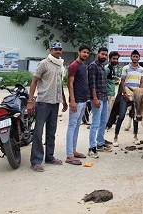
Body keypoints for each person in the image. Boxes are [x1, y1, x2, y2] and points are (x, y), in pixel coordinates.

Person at [27, 42, 68, 172]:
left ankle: (49, 157)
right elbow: (34, 82)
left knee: (51, 132)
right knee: (38, 133)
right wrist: (30, 101)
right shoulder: (44, 63)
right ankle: (36, 161)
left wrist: (64, 100)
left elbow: (59, 85)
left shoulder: (60, 65)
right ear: (50, 50)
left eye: (60, 49)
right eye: (55, 49)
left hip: (55, 103)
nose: (58, 51)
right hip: (43, 102)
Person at [111, 50, 143, 146]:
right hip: (125, 96)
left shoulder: (141, 69)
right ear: (131, 57)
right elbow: (122, 81)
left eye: (136, 57)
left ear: (138, 58)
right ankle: (115, 138)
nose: (135, 58)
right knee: (121, 116)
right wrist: (125, 93)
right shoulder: (126, 68)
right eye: (133, 56)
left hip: (136, 97)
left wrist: (140, 92)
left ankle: (135, 137)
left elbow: (142, 81)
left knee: (135, 117)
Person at [65, 44, 91, 165]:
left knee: (76, 126)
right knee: (72, 126)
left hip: (83, 100)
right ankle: (69, 155)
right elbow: (70, 84)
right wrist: (72, 101)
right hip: (76, 101)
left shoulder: (82, 66)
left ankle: (73, 150)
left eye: (87, 53)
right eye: (84, 52)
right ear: (79, 52)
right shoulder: (74, 65)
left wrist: (85, 100)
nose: (86, 54)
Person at [88, 47, 112, 158]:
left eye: (105, 55)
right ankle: (91, 148)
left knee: (104, 121)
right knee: (95, 123)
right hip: (97, 98)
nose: (104, 56)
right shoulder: (93, 66)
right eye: (102, 54)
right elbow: (92, 84)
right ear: (98, 54)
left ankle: (100, 143)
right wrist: (95, 98)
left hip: (104, 98)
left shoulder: (102, 66)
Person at [105, 51, 120, 120]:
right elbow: (103, 81)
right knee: (106, 112)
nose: (115, 60)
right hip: (107, 94)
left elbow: (109, 80)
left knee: (109, 111)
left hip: (111, 94)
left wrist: (115, 82)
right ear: (110, 59)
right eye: (114, 59)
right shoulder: (107, 68)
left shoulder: (112, 68)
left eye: (117, 59)